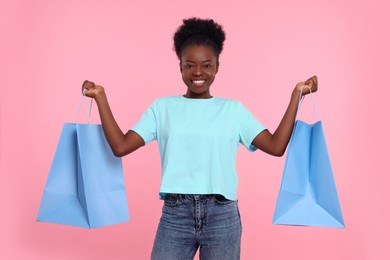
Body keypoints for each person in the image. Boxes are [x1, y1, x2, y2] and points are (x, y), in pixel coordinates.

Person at [82, 17, 318, 260]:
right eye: (189, 65)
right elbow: (120, 146)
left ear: (217, 67)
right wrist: (101, 98)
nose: (197, 73)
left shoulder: (233, 110)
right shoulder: (162, 108)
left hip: (222, 215)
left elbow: (276, 146)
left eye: (206, 65)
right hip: (176, 215)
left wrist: (296, 95)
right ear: (180, 67)